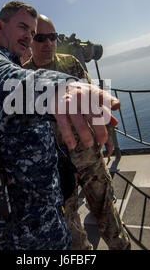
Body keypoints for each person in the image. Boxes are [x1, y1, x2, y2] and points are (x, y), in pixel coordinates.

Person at [0, 0, 121, 250]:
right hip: (25, 212)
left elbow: (91, 93)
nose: (32, 37)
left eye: (34, 33)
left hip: (49, 190)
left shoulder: (62, 63)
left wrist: (104, 132)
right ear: (0, 25)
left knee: (103, 208)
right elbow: (7, 85)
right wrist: (58, 87)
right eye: (24, 28)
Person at [24, 14, 132, 250]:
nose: (48, 43)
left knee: (106, 210)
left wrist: (109, 133)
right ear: (30, 40)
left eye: (52, 37)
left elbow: (93, 97)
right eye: (41, 38)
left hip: (87, 154)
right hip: (55, 163)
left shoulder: (70, 63)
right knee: (68, 221)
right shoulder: (22, 77)